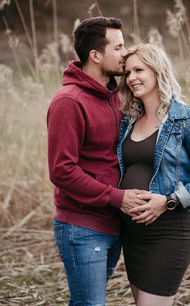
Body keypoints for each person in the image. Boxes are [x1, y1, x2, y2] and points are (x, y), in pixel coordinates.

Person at [47, 17, 147, 306]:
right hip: (82, 227)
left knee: (83, 302)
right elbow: (61, 171)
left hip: (113, 223)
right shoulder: (69, 101)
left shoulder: (117, 97)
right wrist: (117, 197)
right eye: (118, 47)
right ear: (95, 55)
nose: (125, 53)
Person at [117, 43, 190, 306]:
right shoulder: (128, 120)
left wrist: (168, 201)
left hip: (169, 234)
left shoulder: (188, 119)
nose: (131, 78)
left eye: (139, 70)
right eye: (127, 72)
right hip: (133, 235)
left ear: (157, 70)